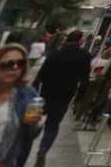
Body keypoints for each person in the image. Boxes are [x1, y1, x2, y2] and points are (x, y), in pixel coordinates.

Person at [31, 29, 91, 167]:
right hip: (64, 96)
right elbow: (85, 79)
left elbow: (42, 72)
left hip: (46, 93)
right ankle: (43, 148)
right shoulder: (84, 55)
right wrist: (80, 96)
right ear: (80, 40)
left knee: (34, 121)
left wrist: (34, 88)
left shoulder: (55, 53)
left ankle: (29, 138)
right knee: (52, 126)